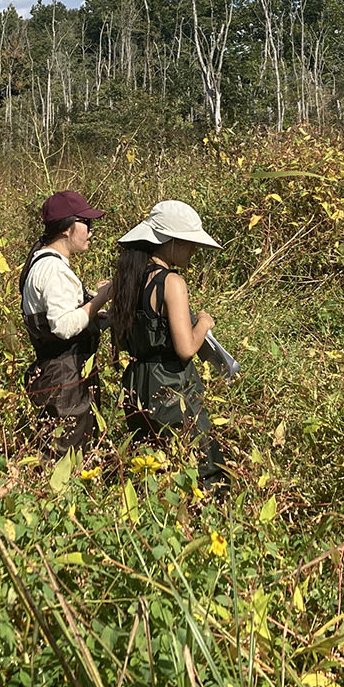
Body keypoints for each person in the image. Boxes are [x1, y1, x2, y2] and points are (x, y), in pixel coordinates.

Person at [111, 200, 231, 489]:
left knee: (150, 464)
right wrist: (204, 322)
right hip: (171, 384)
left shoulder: (129, 278)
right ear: (171, 242)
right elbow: (186, 348)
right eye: (189, 243)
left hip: (136, 382)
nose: (193, 250)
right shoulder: (171, 282)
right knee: (197, 464)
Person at [19, 191, 113, 456]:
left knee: (71, 449)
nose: (91, 232)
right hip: (64, 379)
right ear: (67, 228)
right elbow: (63, 326)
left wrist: (100, 311)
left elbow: (66, 317)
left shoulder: (43, 261)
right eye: (86, 224)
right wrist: (102, 298)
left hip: (62, 373)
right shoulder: (53, 270)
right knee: (65, 456)